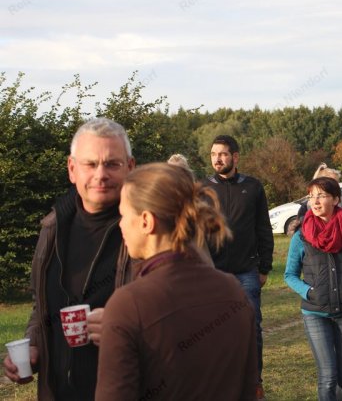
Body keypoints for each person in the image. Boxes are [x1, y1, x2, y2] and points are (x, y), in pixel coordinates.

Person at [95, 163, 257, 400]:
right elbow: (249, 388)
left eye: (123, 215)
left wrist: (118, 324)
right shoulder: (233, 290)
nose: (120, 224)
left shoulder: (128, 305)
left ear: (146, 221)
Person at [3, 118, 135, 400]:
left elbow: (185, 311)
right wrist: (34, 344)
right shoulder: (52, 228)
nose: (101, 174)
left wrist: (124, 326)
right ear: (72, 169)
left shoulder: (151, 229)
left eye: (112, 164)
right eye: (90, 164)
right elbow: (42, 305)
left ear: (130, 167)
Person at [284, 177, 342, 401]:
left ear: (336, 199)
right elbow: (290, 275)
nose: (315, 201)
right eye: (311, 196)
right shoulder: (301, 235)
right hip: (315, 313)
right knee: (328, 376)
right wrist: (309, 292)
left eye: (321, 195)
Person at [207, 134, 274, 400]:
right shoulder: (202, 189)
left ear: (235, 157)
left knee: (251, 328)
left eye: (222, 154)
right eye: (213, 154)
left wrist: (264, 267)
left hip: (246, 272)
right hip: (212, 274)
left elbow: (263, 228)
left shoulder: (253, 187)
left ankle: (254, 382)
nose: (217, 159)